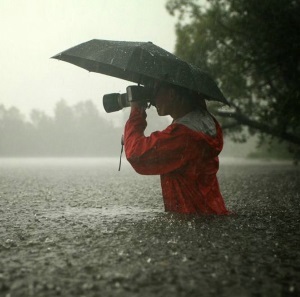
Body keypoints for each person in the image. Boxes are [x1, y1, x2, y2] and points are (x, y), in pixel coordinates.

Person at [124, 82, 229, 215]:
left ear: (172, 94)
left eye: (156, 91)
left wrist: (136, 112)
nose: (153, 99)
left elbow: (136, 154)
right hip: (211, 214)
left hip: (192, 221)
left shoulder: (183, 135)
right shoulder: (203, 123)